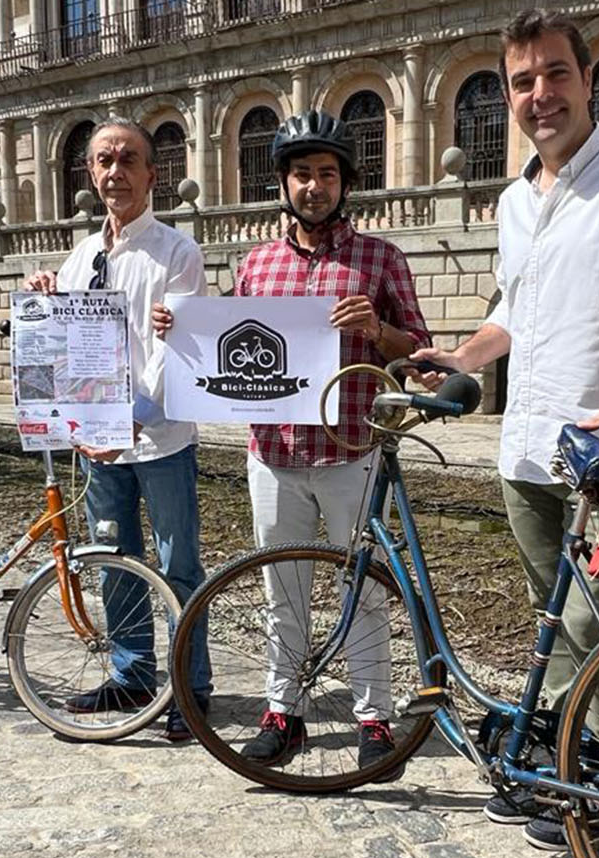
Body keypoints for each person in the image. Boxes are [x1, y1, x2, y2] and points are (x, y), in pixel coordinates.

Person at [409, 8, 599, 851]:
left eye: (554, 74)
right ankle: (572, 757)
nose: (540, 94)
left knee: (590, 614)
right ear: (509, 95)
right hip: (526, 450)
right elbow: (515, 311)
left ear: (586, 78)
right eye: (522, 81)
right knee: (554, 611)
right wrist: (462, 355)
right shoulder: (510, 200)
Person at [157, 111, 431, 775]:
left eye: (326, 174)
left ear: (344, 184)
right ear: (283, 182)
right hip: (273, 456)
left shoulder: (380, 259)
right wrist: (179, 329)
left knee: (362, 590)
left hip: (351, 452)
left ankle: (373, 717)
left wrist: (379, 332)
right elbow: (229, 345)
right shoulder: (258, 265)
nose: (314, 186)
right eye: (302, 173)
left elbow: (420, 353)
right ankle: (284, 713)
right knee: (282, 591)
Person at [22, 117, 212, 738]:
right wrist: (44, 297)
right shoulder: (80, 258)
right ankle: (132, 676)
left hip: (159, 438)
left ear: (152, 175)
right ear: (90, 174)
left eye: (128, 159)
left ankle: (190, 687)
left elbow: (173, 354)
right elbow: (68, 342)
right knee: (112, 558)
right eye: (104, 160)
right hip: (96, 442)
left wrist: (130, 417)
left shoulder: (178, 253)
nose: (115, 171)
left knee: (178, 563)